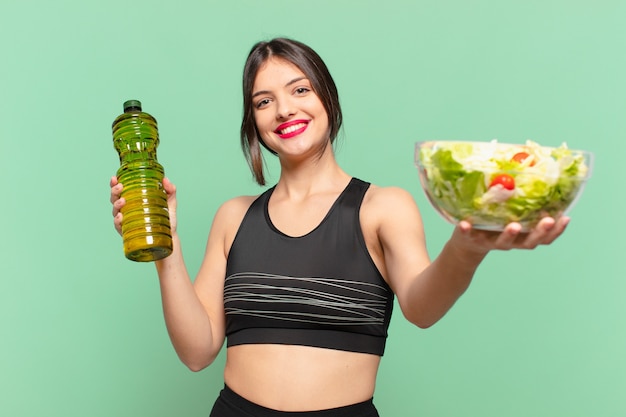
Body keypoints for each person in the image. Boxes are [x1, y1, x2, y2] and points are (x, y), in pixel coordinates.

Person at [109, 38, 569, 416]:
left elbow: (422, 308)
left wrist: (467, 247)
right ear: (254, 122)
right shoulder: (234, 216)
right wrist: (163, 247)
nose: (283, 110)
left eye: (300, 90)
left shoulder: (382, 207)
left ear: (327, 97)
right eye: (264, 102)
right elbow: (197, 353)